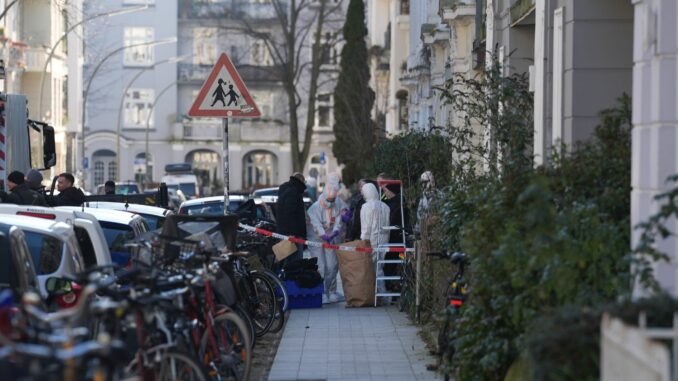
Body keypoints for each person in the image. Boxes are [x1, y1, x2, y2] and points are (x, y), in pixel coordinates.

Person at [307, 183, 345, 304]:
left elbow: (339, 221)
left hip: (330, 238)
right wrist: (323, 234)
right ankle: (321, 292)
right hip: (316, 239)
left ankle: (332, 291)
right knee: (320, 266)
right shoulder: (314, 208)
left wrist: (334, 233)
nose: (330, 201)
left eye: (332, 199)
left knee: (332, 265)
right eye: (329, 199)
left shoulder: (336, 205)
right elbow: (316, 225)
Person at [359, 183, 390, 293]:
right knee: (380, 268)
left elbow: (366, 228)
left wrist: (363, 242)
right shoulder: (386, 207)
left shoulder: (366, 207)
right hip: (384, 241)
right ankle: (382, 294)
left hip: (371, 242)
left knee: (370, 269)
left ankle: (373, 294)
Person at [276, 173, 307, 264]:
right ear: (301, 180)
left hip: (284, 232)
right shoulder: (294, 192)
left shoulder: (286, 190)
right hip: (293, 234)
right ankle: (288, 278)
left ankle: (281, 277)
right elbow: (290, 213)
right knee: (294, 262)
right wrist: (292, 233)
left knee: (285, 260)